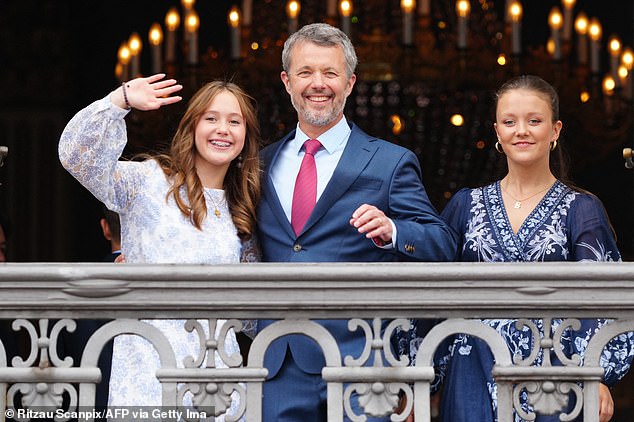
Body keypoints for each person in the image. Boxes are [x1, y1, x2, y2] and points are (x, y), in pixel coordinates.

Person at [402, 75, 634, 422]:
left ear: (555, 130)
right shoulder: (466, 205)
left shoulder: (581, 208)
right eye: (509, 122)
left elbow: (602, 296)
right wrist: (415, 378)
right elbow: (433, 293)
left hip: (555, 374)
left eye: (534, 121)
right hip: (472, 369)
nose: (521, 130)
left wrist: (597, 374)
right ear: (497, 131)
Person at [256, 23, 457, 421]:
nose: (318, 84)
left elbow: (443, 242)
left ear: (349, 83)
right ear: (286, 81)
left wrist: (394, 231)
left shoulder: (389, 161)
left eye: (330, 73)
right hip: (278, 361)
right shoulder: (258, 164)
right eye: (305, 72)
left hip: (362, 359)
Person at [59, 75, 261, 417]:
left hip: (217, 375)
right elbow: (76, 157)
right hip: (146, 365)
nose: (222, 129)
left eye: (234, 121)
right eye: (211, 118)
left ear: (246, 135)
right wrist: (119, 101)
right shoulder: (148, 181)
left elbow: (252, 312)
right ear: (192, 126)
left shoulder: (242, 207)